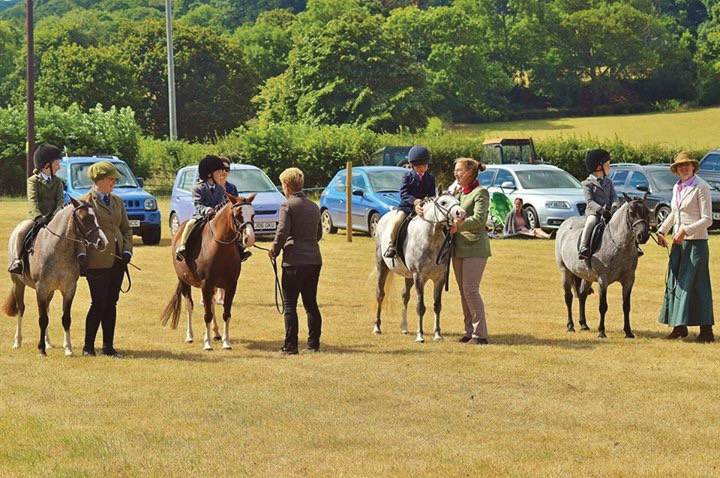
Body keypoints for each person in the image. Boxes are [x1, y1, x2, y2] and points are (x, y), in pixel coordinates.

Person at [657, 152, 714, 342]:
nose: (683, 168)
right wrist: (661, 231)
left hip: (696, 244)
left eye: (686, 165)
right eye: (680, 166)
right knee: (676, 283)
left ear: (693, 166)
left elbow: (708, 219)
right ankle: (678, 326)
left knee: (697, 285)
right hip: (678, 244)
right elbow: (674, 213)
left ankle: (706, 331)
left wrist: (685, 231)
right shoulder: (677, 187)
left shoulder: (701, 187)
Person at [79, 161, 133, 357]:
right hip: (97, 261)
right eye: (111, 178)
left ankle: (108, 346)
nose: (114, 182)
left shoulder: (117, 201)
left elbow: (126, 229)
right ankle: (88, 347)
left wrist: (127, 250)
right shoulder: (85, 202)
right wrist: (82, 256)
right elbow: (80, 233)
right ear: (99, 180)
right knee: (99, 303)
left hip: (118, 260)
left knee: (112, 302)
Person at [268, 167, 323, 355]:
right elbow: (318, 234)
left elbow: (282, 232)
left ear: (286, 186)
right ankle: (313, 343)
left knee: (290, 304)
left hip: (294, 261)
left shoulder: (288, 206)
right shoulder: (314, 206)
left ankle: (291, 345)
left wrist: (274, 250)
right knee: (311, 303)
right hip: (314, 259)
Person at [176, 155, 250, 262]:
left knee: (232, 227)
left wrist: (221, 210)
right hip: (201, 216)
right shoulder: (197, 188)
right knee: (190, 224)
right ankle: (182, 246)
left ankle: (240, 248)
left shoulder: (220, 188)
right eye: (218, 171)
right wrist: (207, 210)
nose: (221, 174)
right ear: (209, 174)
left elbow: (221, 203)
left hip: (216, 216)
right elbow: (198, 205)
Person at [450, 158, 491, 345]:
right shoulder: (458, 193)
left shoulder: (480, 192)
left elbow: (479, 219)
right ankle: (469, 331)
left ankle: (480, 334)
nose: (455, 173)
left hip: (475, 247)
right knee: (463, 292)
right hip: (458, 247)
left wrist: (458, 226)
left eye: (459, 170)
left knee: (470, 290)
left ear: (469, 172)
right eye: (455, 170)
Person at [8, 144, 66, 274]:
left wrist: (56, 216)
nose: (59, 167)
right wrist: (38, 217)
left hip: (54, 217)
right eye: (57, 164)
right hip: (36, 218)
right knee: (21, 231)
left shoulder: (58, 181)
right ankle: (17, 260)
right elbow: (33, 200)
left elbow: (60, 200)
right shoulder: (33, 181)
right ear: (47, 165)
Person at [384, 145, 436, 258]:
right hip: (407, 207)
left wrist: (423, 203)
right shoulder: (407, 176)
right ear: (413, 166)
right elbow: (403, 193)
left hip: (424, 207)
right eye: (418, 166)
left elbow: (432, 195)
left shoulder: (431, 178)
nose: (422, 168)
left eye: (424, 166)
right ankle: (391, 246)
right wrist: (414, 201)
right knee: (396, 222)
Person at [578, 148, 619, 260]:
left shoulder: (608, 182)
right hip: (595, 212)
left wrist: (614, 206)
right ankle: (583, 246)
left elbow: (614, 196)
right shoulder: (587, 184)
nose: (610, 167)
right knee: (591, 222)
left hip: (609, 212)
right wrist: (601, 210)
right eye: (608, 165)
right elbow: (590, 202)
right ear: (599, 167)